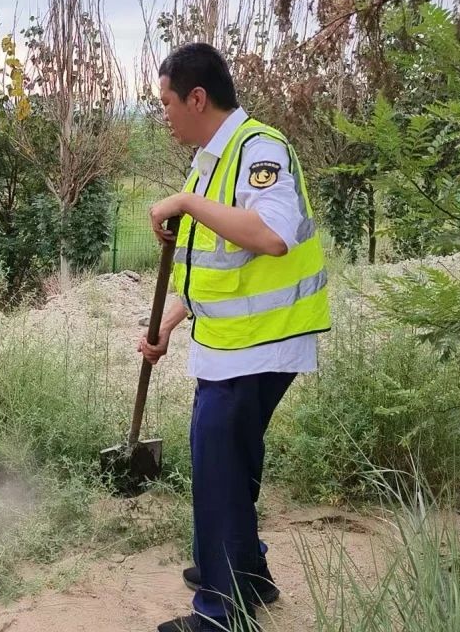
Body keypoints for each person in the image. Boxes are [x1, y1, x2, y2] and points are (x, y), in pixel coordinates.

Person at [138, 43, 331, 632]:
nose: (163, 113)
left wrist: (189, 201)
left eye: (167, 101)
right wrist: (169, 322)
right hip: (231, 343)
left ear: (197, 98)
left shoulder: (258, 149)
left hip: (263, 343)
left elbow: (272, 235)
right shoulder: (210, 160)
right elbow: (217, 267)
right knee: (226, 462)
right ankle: (245, 574)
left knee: (219, 467)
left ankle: (223, 613)